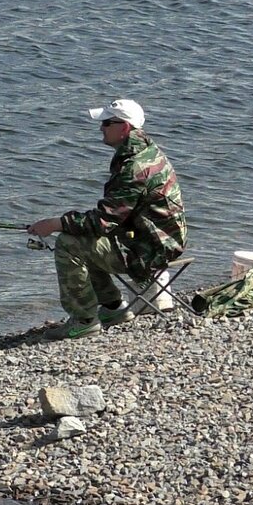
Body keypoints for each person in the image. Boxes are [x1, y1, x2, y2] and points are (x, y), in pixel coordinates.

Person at [27, 99, 187, 340]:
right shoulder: (143, 152)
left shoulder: (136, 167)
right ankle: (113, 309)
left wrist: (54, 224)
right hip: (151, 239)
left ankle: (84, 320)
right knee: (80, 234)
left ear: (123, 127)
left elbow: (104, 221)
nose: (101, 128)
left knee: (69, 244)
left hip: (150, 250)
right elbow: (114, 217)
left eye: (106, 123)